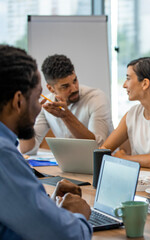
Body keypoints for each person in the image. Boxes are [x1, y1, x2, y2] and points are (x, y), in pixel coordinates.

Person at [0, 45, 92, 239]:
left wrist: (44, 203)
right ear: (18, 101)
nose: (39, 108)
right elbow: (65, 235)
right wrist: (77, 215)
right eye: (36, 98)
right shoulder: (3, 155)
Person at [19, 54, 113, 154]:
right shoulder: (47, 104)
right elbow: (28, 150)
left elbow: (98, 148)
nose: (74, 88)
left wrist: (66, 115)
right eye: (65, 86)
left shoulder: (96, 98)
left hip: (103, 164)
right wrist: (26, 117)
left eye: (75, 80)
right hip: (72, 164)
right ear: (50, 88)